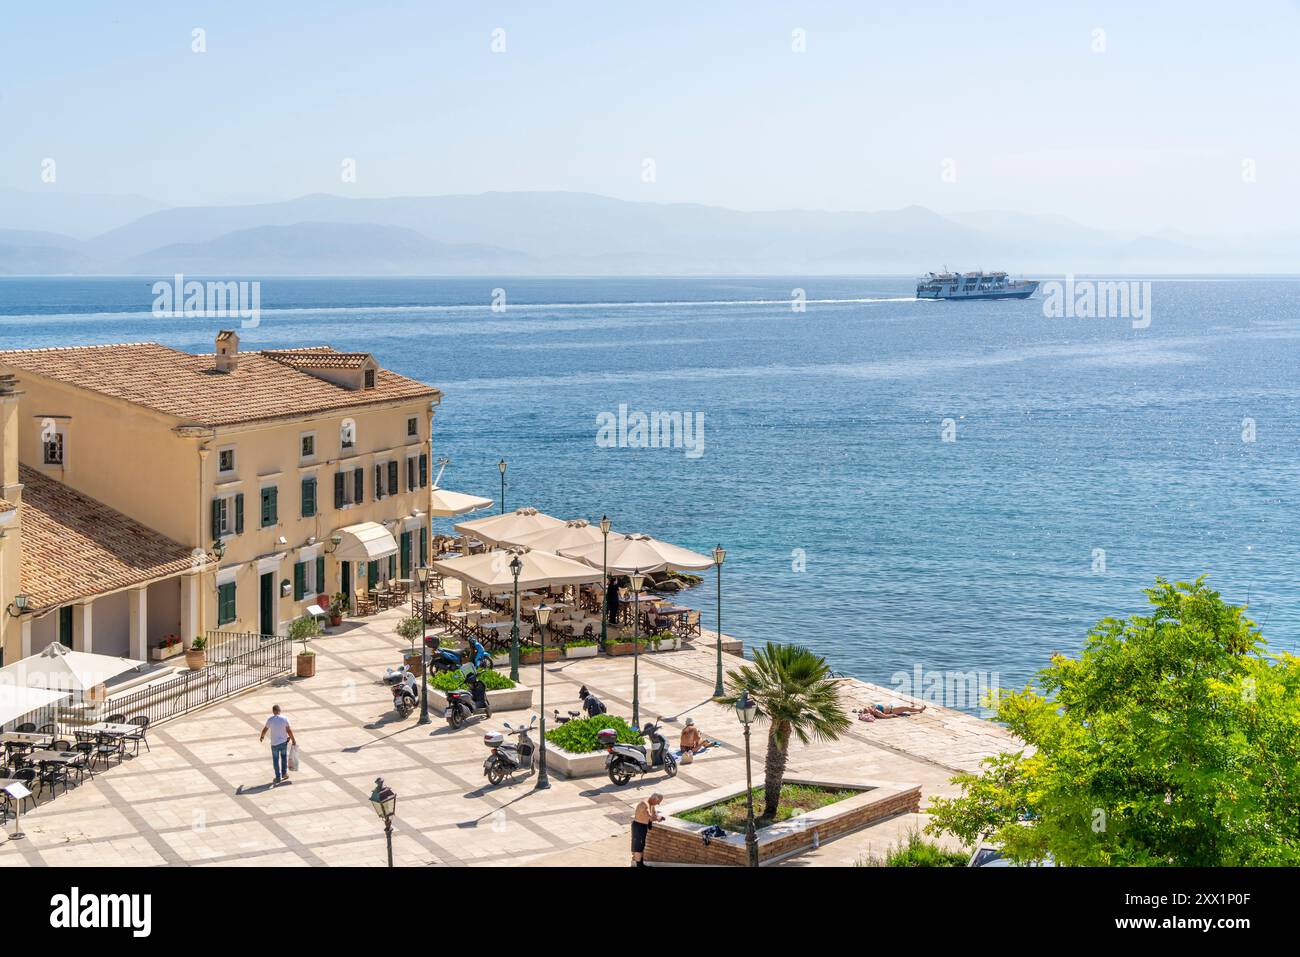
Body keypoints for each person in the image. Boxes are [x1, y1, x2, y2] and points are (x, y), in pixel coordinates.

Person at [259, 704, 297, 783]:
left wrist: (262, 737)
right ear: (279, 711)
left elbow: (264, 730)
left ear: (273, 711)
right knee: (283, 758)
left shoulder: (270, 720)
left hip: (274, 744)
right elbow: (289, 730)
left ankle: (278, 777)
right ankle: (284, 774)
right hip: (283, 742)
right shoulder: (285, 718)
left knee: (275, 760)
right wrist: (293, 739)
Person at [631, 792, 664, 866]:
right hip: (638, 827)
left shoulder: (651, 804)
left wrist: (658, 816)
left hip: (643, 827)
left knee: (641, 846)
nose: (657, 804)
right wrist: (657, 818)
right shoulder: (645, 804)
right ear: (654, 799)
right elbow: (650, 817)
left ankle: (641, 864)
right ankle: (639, 866)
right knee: (638, 848)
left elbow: (654, 813)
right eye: (658, 802)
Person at [855, 701, 927, 721]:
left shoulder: (873, 709)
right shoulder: (876, 712)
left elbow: (861, 712)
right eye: (869, 709)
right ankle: (920, 710)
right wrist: (893, 715)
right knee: (906, 708)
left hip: (891, 706)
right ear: (870, 712)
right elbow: (885, 716)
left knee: (905, 707)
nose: (869, 707)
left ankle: (912, 708)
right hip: (892, 710)